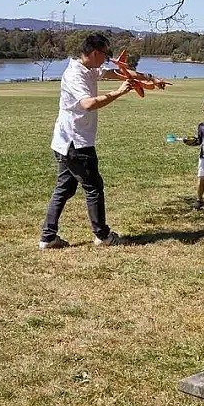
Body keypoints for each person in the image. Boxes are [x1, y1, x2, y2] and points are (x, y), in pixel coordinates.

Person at [39, 34, 166, 249]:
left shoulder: (89, 69)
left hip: (64, 141)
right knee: (93, 187)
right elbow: (88, 104)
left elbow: (115, 72)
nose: (106, 60)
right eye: (105, 55)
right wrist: (118, 93)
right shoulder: (74, 75)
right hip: (76, 143)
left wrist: (149, 78)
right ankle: (103, 236)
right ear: (95, 52)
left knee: (65, 188)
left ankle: (48, 237)